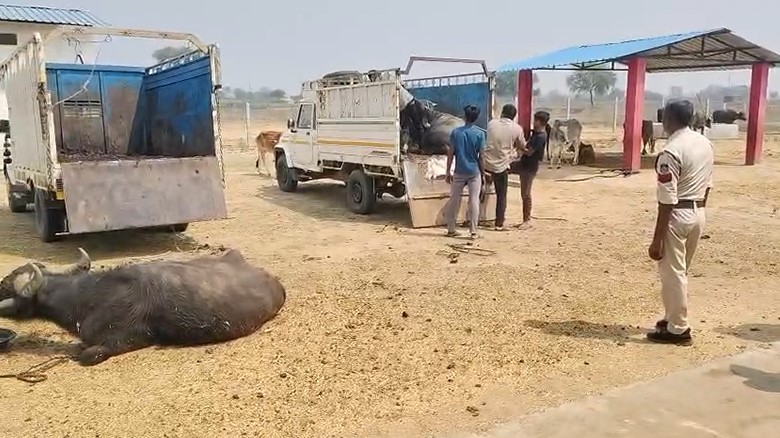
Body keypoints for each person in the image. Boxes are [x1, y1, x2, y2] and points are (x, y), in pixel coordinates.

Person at [647, 99, 714, 345]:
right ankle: (672, 317)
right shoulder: (704, 143)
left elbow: (667, 199)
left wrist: (656, 240)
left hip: (677, 214)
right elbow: (708, 184)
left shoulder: (671, 151)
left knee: (672, 274)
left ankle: (678, 328)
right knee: (680, 271)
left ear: (668, 119)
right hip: (698, 211)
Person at [445, 104, 486, 239]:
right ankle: (473, 232)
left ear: (464, 116)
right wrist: (483, 174)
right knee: (474, 200)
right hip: (474, 172)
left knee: (454, 199)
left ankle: (451, 229)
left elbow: (450, 153)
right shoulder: (480, 134)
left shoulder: (456, 133)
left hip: (459, 171)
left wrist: (447, 171)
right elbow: (482, 157)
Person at [484, 104, 525, 231]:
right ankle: (499, 223)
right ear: (514, 116)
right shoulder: (517, 129)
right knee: (501, 195)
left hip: (485, 164)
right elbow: (522, 145)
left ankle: (476, 217)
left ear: (502, 113)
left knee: (480, 192)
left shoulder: (491, 123)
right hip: (501, 166)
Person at [513, 111, 548, 229]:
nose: (534, 122)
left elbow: (529, 152)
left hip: (529, 167)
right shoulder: (536, 134)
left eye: (535, 120)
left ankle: (527, 220)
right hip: (524, 164)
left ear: (540, 122)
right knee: (503, 169)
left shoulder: (540, 137)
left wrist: (519, 146)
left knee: (526, 194)